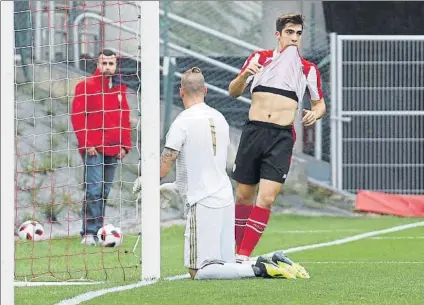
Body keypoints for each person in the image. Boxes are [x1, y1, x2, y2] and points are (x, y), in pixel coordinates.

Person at [134, 67, 299, 280]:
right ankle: (272, 260)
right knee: (224, 265)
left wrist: (147, 181)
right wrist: (177, 187)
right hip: (224, 199)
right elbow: (212, 163)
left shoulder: (182, 121)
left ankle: (260, 267)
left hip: (202, 203)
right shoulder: (219, 118)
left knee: (198, 271)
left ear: (181, 92)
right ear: (205, 91)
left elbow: (165, 164)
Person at [228, 13, 326, 267]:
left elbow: (320, 104)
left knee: (267, 198)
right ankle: (235, 250)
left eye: (298, 34)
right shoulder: (259, 59)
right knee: (243, 197)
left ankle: (242, 256)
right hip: (253, 132)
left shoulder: (308, 69)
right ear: (278, 35)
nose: (294, 38)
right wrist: (243, 76)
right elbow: (233, 91)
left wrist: (315, 113)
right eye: (290, 32)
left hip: (281, 138)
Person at [71, 49, 132, 245]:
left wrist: (125, 145)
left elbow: (125, 119)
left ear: (115, 66)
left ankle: (98, 231)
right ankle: (89, 232)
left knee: (104, 192)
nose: (107, 67)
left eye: (110, 64)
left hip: (114, 149)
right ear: (97, 65)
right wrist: (87, 143)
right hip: (94, 149)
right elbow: (78, 117)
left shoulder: (120, 90)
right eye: (103, 63)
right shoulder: (85, 86)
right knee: (94, 190)